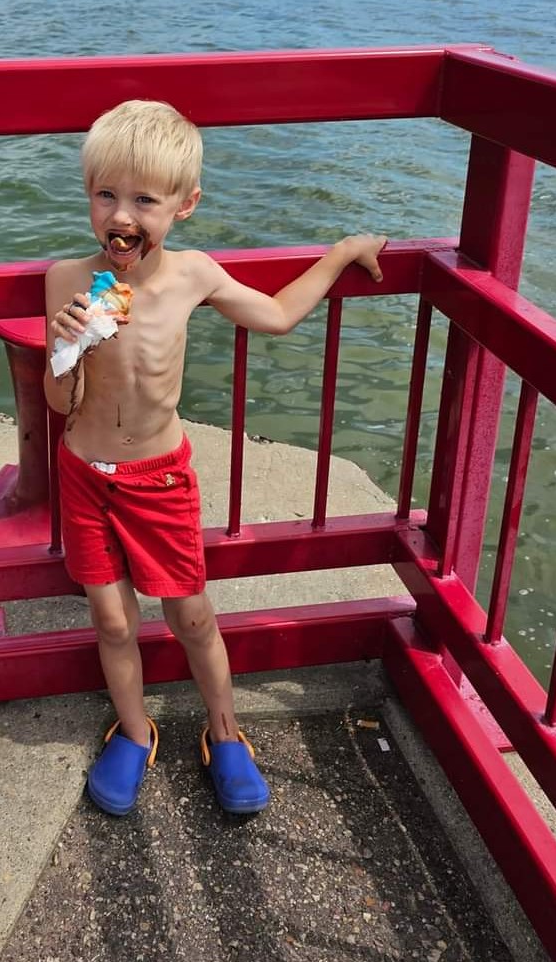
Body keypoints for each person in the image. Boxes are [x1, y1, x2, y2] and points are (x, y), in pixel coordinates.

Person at [44, 100, 386, 817]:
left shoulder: (194, 275)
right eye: (106, 195)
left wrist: (341, 252)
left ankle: (225, 731)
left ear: (185, 205)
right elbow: (57, 401)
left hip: (160, 478)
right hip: (84, 473)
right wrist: (69, 343)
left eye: (144, 200)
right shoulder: (66, 279)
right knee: (111, 620)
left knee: (192, 615)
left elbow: (278, 316)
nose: (121, 215)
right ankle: (135, 732)